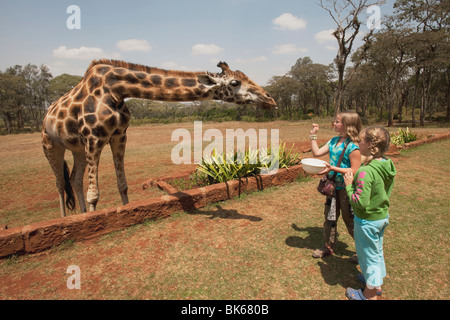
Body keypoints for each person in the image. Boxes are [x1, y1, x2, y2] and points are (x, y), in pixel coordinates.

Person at [343, 126, 396, 300]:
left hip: (367, 221)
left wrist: (349, 185)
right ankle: (374, 283)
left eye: (360, 141)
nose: (358, 144)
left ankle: (369, 295)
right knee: (377, 252)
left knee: (368, 257)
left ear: (370, 146)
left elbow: (360, 202)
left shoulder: (366, 171)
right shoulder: (387, 163)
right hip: (381, 217)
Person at [310, 112, 362, 260]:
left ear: (346, 125)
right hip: (332, 188)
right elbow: (317, 153)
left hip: (347, 188)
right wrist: (313, 135)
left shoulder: (354, 147)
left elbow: (355, 170)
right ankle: (327, 247)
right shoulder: (333, 141)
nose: (334, 123)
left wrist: (332, 168)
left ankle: (362, 251)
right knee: (330, 217)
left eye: (337, 121)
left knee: (350, 219)